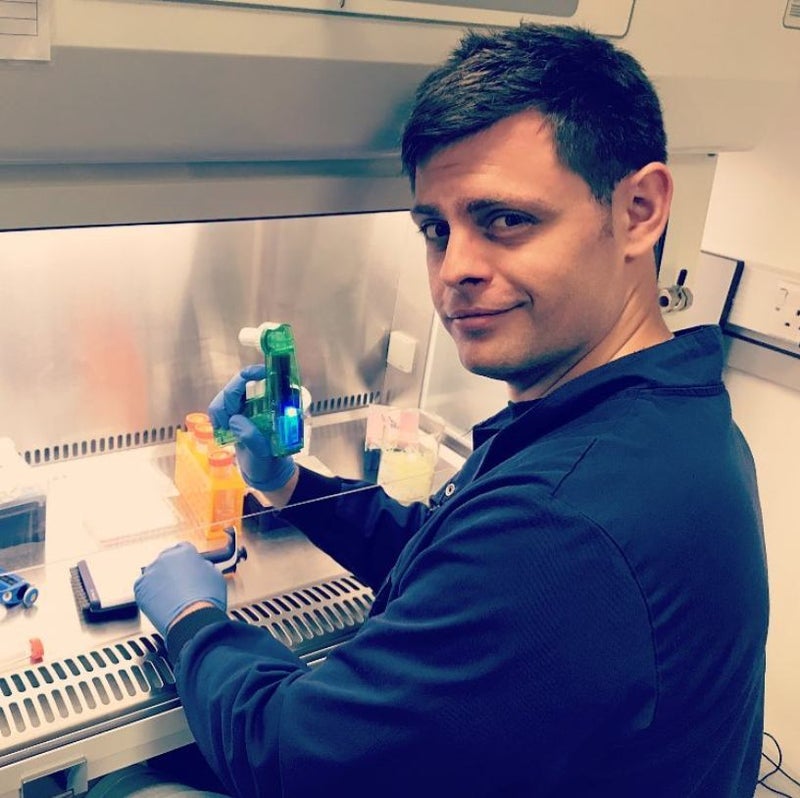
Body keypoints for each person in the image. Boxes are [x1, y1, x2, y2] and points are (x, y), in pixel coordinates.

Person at [134, 23, 769, 798]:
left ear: (639, 210)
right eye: (437, 230)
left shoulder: (564, 522)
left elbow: (291, 757)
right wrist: (289, 484)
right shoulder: (658, 415)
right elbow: (448, 555)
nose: (454, 270)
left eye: (506, 220)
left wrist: (194, 620)